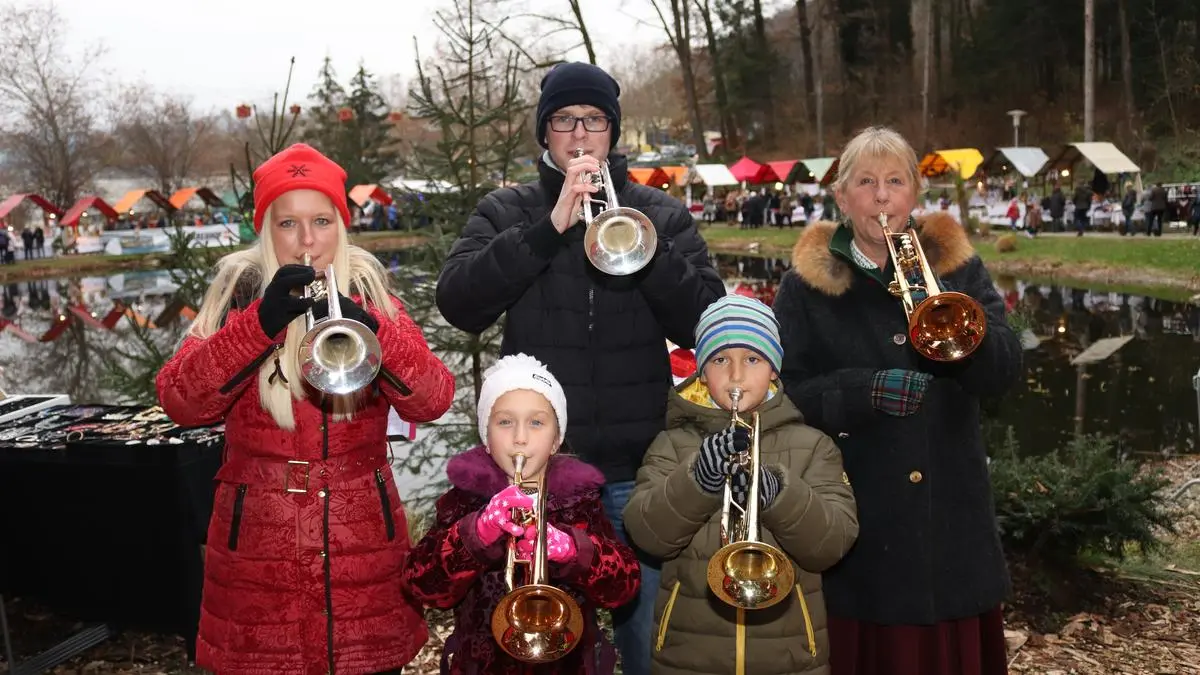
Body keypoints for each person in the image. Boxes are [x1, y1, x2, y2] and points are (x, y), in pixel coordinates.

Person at [435, 61, 725, 674]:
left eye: (594, 120)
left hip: (638, 466)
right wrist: (547, 231)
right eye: (565, 121)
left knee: (647, 635)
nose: (581, 135)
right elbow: (459, 303)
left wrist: (646, 249)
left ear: (613, 132)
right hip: (537, 471)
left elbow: (704, 322)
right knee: (545, 640)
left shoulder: (659, 215)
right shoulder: (506, 209)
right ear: (546, 134)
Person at [156, 143, 455, 675]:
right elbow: (181, 401)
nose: (308, 240)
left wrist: (373, 329)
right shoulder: (237, 289)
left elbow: (434, 397)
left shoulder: (368, 285)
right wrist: (257, 324)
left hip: (361, 534)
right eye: (287, 223)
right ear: (266, 228)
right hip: (257, 546)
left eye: (321, 220)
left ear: (341, 223)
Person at [772, 126, 1022, 675]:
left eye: (894, 181)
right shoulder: (805, 287)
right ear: (841, 197)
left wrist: (959, 339)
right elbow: (784, 394)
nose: (881, 197)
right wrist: (863, 391)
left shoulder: (958, 268)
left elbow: (1005, 371)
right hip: (856, 518)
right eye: (865, 182)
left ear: (914, 194)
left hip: (948, 516)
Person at [623, 294, 858, 674]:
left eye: (752, 359)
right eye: (720, 360)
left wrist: (779, 493)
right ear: (701, 373)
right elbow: (646, 533)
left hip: (790, 658)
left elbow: (832, 544)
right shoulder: (672, 444)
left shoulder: (814, 446)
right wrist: (698, 480)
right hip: (689, 656)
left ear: (774, 371)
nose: (736, 376)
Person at [404, 354, 641, 674]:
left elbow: (623, 587)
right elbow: (423, 585)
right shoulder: (465, 502)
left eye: (536, 422)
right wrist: (477, 533)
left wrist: (573, 550)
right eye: (504, 422)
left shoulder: (579, 503)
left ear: (556, 439)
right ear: (486, 438)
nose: (520, 437)